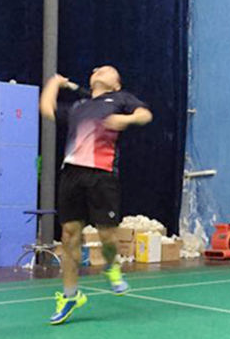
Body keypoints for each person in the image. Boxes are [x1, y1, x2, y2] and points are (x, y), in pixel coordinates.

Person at [39, 66, 153, 325]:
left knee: (107, 235)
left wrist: (125, 120)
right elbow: (47, 109)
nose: (97, 70)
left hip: (102, 174)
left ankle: (111, 266)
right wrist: (54, 82)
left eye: (105, 69)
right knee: (69, 235)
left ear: (116, 84)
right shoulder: (79, 106)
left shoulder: (120, 99)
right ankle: (70, 296)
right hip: (71, 173)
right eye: (95, 70)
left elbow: (145, 114)